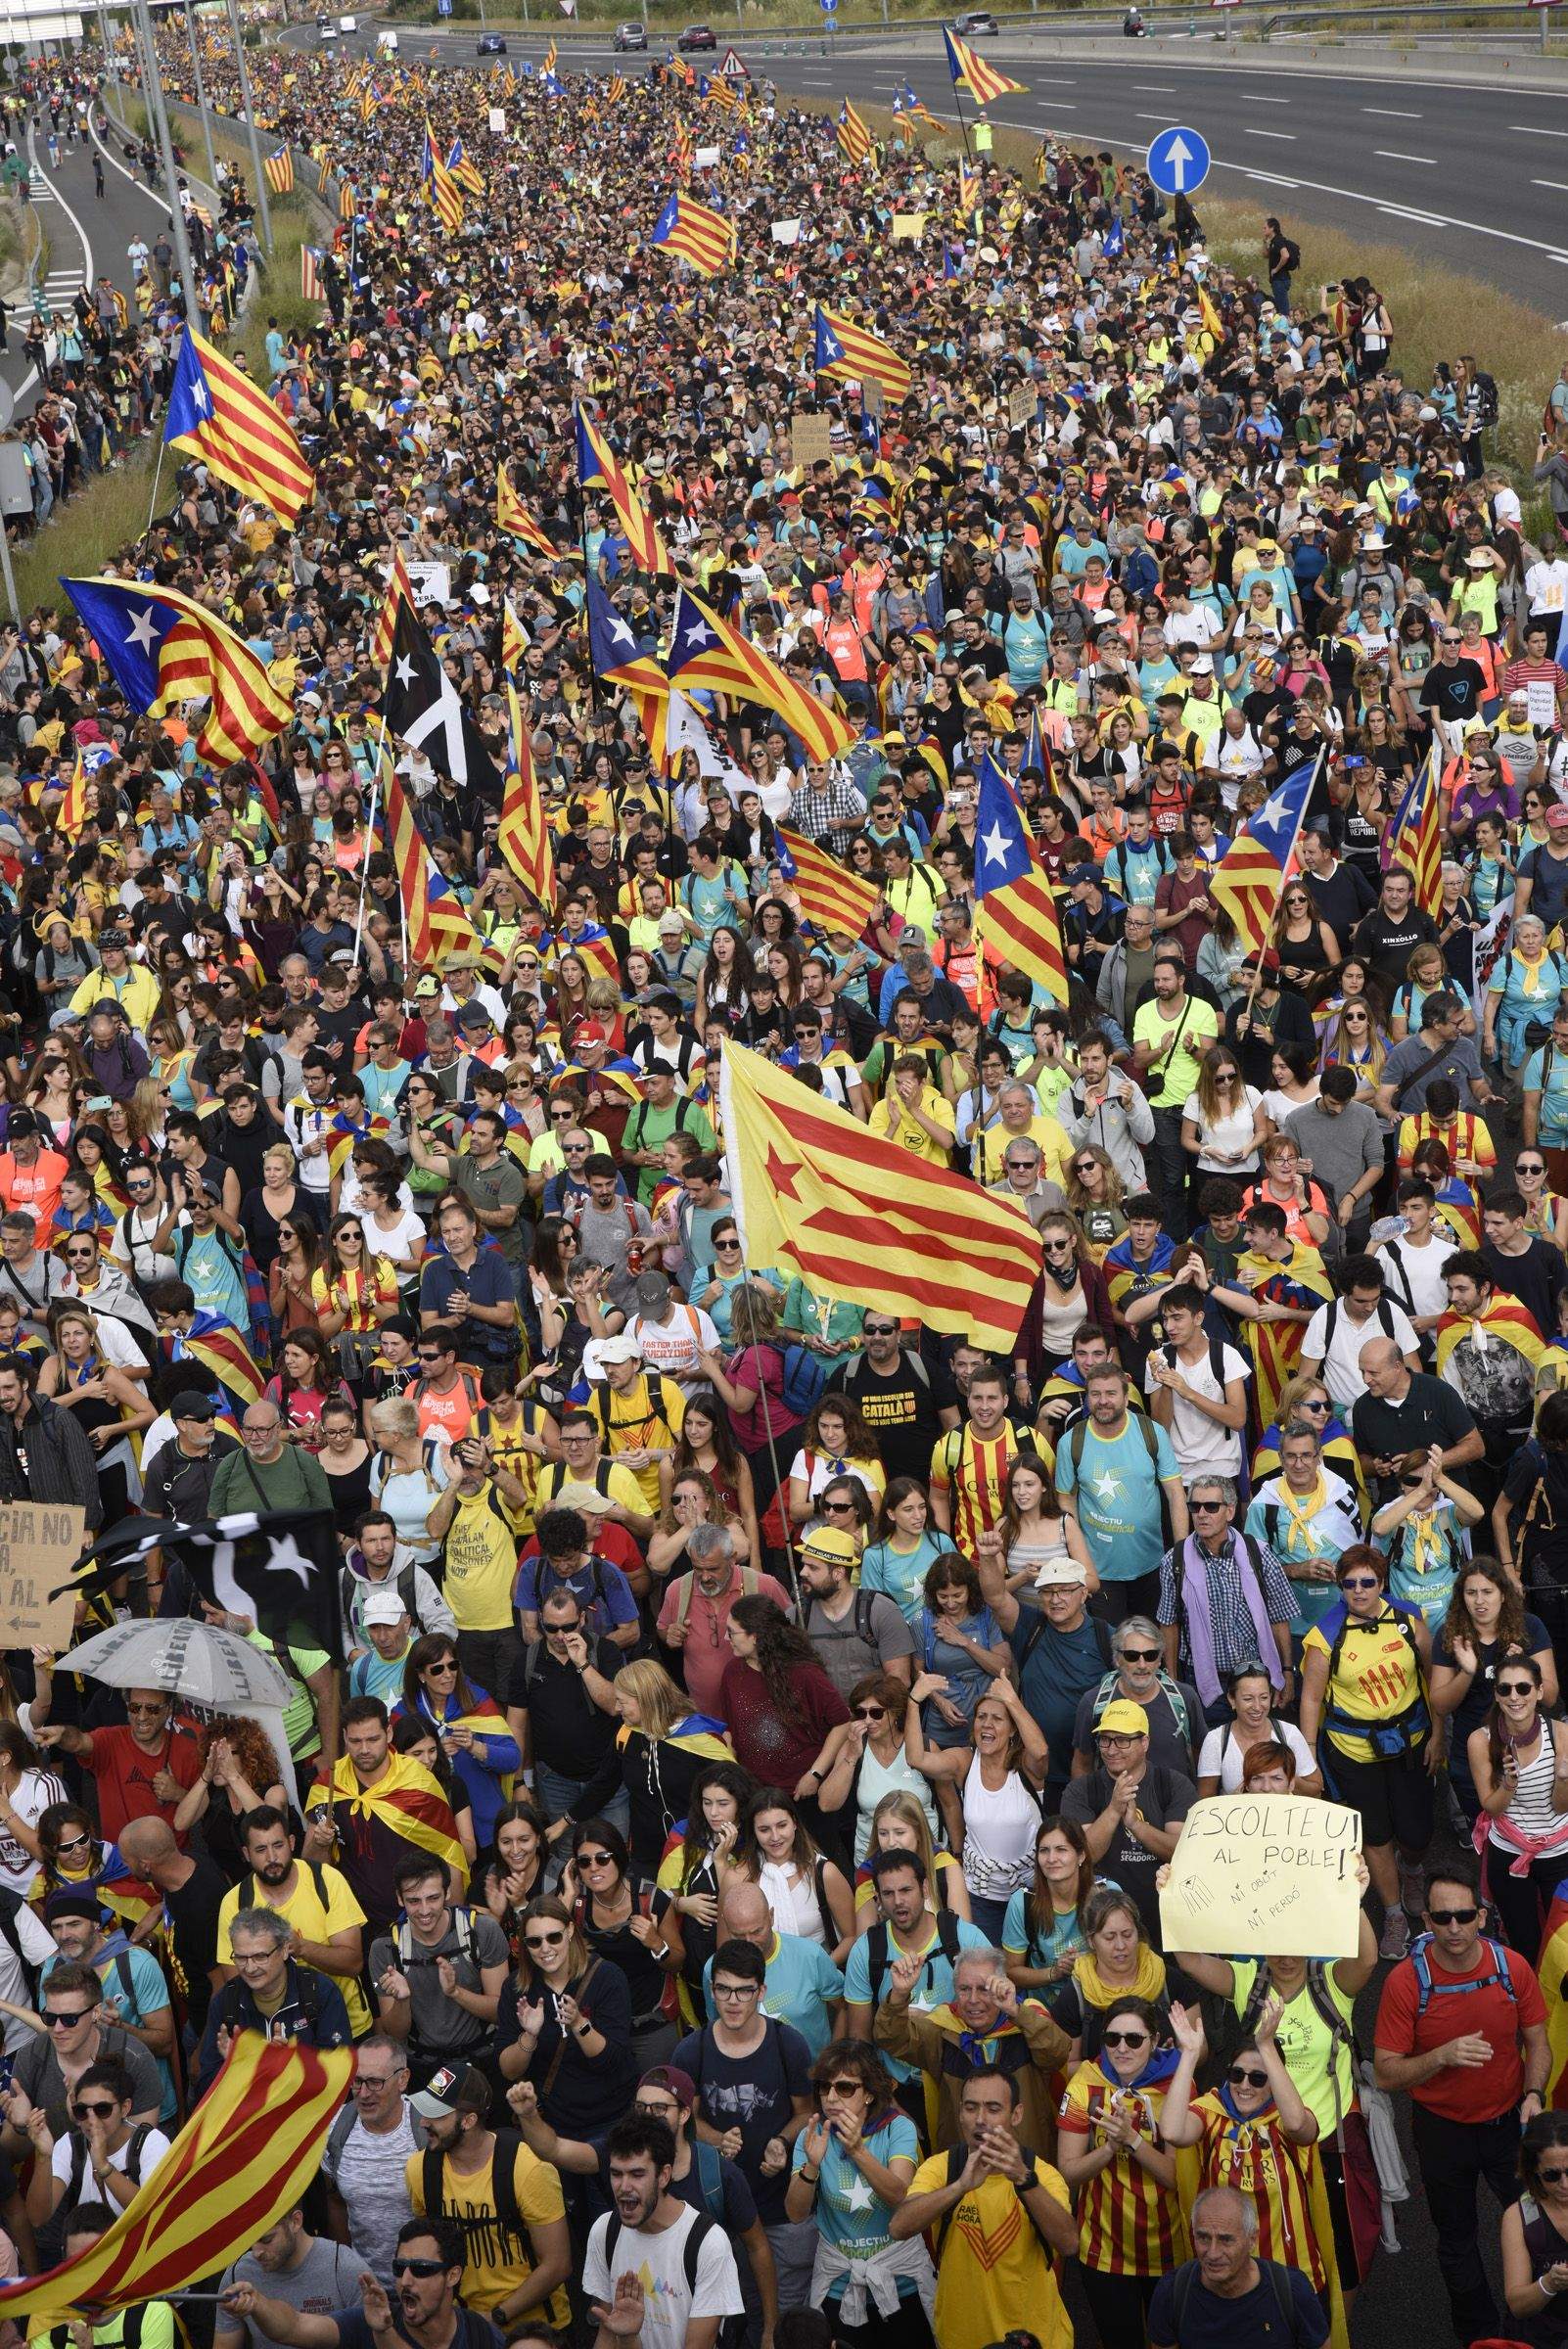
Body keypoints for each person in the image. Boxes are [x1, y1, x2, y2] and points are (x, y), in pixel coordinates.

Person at [1374, 1859, 1550, 2345]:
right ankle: (1481, 2335)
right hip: (1441, 2129)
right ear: (1426, 1921)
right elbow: (1387, 2072)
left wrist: (1533, 2094)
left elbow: (1538, 2041)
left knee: (1538, 2225)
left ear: (1482, 1916)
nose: (1454, 1928)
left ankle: (1541, 2322)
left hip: (1509, 2125)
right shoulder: (1405, 1984)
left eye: (1464, 1916)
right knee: (1457, 2240)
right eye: (1442, 1918)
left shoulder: (1510, 1968)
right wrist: (1442, 2057)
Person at [1299, 1543, 1436, 1958]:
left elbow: (1434, 1677)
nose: (1358, 1591)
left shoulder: (1409, 1620)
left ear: (1381, 1582)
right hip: (1353, 1752)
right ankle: (1393, 1913)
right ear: (1340, 1586)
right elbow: (1310, 1700)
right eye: (1349, 1584)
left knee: (1416, 1833)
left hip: (1411, 1742)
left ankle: (1412, 1868)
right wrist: (1309, 1761)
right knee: (1375, 1835)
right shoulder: (1325, 1637)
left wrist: (1440, 1733)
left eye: (1367, 1582)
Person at [889, 2065, 1077, 2349]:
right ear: (960, 2112)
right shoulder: (942, 2168)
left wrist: (1024, 2180)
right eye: (971, 2107)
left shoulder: (1043, 2175)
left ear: (1016, 2114)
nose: (980, 2119)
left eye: (993, 2108)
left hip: (1035, 2340)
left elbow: (1069, 2243)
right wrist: (960, 2186)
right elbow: (899, 2227)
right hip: (960, 2339)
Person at [1056, 1995, 1189, 2343]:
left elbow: (1177, 2177)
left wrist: (1132, 2140)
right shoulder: (1085, 2081)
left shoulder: (1179, 2083)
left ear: (1155, 2041)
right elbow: (1067, 2172)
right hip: (1103, 2249)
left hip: (1169, 2246)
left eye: (1134, 2039)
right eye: (1112, 2039)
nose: (1121, 2049)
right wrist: (1109, 2149)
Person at [403, 2060, 571, 2329]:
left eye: (436, 2115)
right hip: (460, 2327)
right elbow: (430, 2250)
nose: (423, 2122)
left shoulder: (527, 2168)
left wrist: (495, 2317)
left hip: (533, 2331)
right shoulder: (419, 2169)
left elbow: (558, 2264)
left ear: (468, 2120)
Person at [784, 2043, 933, 2346]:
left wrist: (857, 2150)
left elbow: (898, 2193)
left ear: (869, 2093)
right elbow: (795, 2213)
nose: (832, 2097)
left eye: (845, 2088)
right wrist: (812, 2166)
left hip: (901, 2284)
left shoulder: (897, 2128)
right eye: (825, 2087)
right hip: (840, 2285)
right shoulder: (812, 2136)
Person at [582, 2111, 745, 2349]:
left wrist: (629, 2339)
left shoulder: (707, 2243)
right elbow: (607, 2336)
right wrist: (627, 2337)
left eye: (637, 2174)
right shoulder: (605, 2231)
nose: (624, 2187)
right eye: (616, 2174)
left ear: (664, 2175)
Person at [218, 2216, 507, 2349]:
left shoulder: (482, 2337)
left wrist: (385, 2337)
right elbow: (293, 2326)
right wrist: (258, 2304)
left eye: (420, 2269)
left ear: (452, 2276)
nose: (405, 2281)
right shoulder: (368, 2321)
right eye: (399, 2267)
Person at [193, 1907, 353, 2098]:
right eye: (241, 1958)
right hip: (253, 2122)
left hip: (308, 2120)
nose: (250, 1968)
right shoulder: (226, 2002)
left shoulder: (320, 1992)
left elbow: (341, 2075)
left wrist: (293, 2064)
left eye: (260, 1957)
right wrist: (236, 2067)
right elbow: (204, 2086)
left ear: (285, 1949)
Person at [1148, 2184, 1330, 2349]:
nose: (1212, 2253)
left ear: (1252, 2239)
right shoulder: (1172, 2292)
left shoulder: (1291, 2291)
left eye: (1225, 2240)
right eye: (1203, 2238)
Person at [319, 2035, 428, 2284]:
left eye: (375, 2082)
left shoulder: (427, 2128)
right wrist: (344, 2270)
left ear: (403, 2080)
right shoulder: (336, 2129)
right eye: (357, 2082)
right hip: (362, 2288)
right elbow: (334, 2200)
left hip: (423, 2286)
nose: (364, 2094)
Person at [215, 2207, 365, 2349]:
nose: (256, 2252)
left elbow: (374, 2338)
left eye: (266, 2240)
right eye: (249, 2242)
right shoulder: (239, 2274)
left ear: (295, 2222)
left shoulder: (344, 2268)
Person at [1500, 2110, 1568, 2345]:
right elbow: (1518, 2306)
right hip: (1545, 2332)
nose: (1565, 2185)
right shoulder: (1519, 2218)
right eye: (1552, 2175)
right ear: (1534, 2172)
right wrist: (1548, 2284)